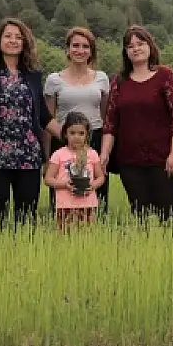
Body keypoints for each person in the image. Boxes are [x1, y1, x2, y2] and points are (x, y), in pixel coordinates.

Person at [0, 18, 62, 231]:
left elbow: (44, 117)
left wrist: (72, 138)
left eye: (18, 37)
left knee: (27, 219)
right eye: (8, 36)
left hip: (28, 156)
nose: (13, 41)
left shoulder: (33, 75)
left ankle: (23, 259)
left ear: (25, 43)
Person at [100, 25, 173, 222]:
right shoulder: (119, 82)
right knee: (140, 214)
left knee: (168, 215)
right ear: (125, 52)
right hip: (129, 160)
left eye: (140, 43)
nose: (136, 48)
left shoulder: (166, 76)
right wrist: (104, 154)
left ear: (150, 46)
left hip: (163, 158)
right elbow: (110, 122)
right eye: (130, 46)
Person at [44, 27, 110, 214]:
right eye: (75, 46)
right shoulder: (54, 80)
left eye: (85, 46)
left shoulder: (102, 78)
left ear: (91, 51)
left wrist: (105, 150)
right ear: (68, 49)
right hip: (64, 140)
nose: (80, 50)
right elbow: (48, 120)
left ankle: (96, 227)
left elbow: (106, 119)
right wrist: (47, 156)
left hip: (94, 138)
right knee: (64, 192)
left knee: (96, 191)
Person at [45, 111, 105, 230]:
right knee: (65, 234)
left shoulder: (92, 154)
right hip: (65, 204)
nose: (76, 137)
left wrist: (92, 186)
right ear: (65, 134)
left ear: (87, 135)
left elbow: (101, 177)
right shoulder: (59, 154)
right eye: (72, 133)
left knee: (87, 234)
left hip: (88, 203)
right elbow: (48, 179)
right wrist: (65, 184)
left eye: (81, 133)